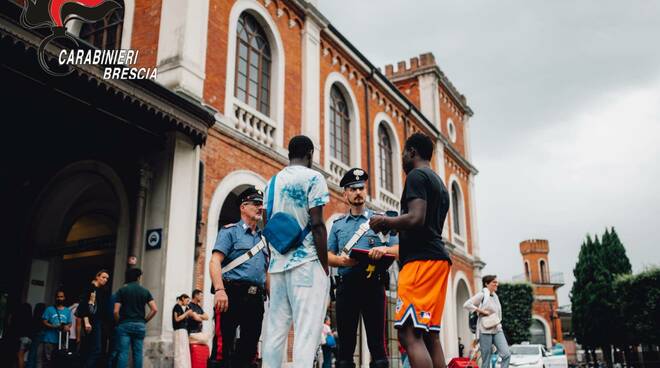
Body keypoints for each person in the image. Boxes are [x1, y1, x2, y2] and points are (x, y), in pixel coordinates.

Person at [369, 133, 452, 368]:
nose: (403, 158)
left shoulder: (416, 176)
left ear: (412, 152)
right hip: (438, 260)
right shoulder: (439, 183)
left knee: (408, 334)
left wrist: (385, 221)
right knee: (429, 335)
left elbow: (416, 218)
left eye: (404, 153)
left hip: (420, 262)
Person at [261, 135, 331, 367]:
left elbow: (265, 223)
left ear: (289, 153)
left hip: (278, 266)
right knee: (306, 333)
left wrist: (272, 259)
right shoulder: (314, 178)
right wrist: (324, 264)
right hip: (306, 264)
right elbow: (318, 224)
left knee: (274, 332)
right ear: (310, 154)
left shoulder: (271, 182)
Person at [328, 168, 398, 368]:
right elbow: (327, 255)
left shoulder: (380, 220)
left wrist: (383, 250)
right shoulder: (338, 225)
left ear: (365, 191)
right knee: (345, 349)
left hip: (373, 287)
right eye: (352, 189)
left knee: (378, 347)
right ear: (345, 194)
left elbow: (399, 248)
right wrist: (341, 262)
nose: (358, 192)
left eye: (361, 188)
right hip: (346, 288)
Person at [209, 186, 268, 367]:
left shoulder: (263, 239)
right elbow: (215, 261)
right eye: (256, 204)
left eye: (261, 204)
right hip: (230, 294)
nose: (260, 208)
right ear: (243, 207)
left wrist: (273, 298)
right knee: (222, 348)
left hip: (256, 298)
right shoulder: (230, 232)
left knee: (249, 349)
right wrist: (219, 290)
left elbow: (267, 271)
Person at [113, 268, 158, 368]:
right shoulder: (145, 291)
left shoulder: (122, 290)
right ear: (138, 278)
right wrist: (144, 320)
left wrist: (118, 322)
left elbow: (115, 311)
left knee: (123, 353)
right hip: (140, 325)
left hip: (124, 324)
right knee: (138, 353)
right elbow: (154, 309)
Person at [463, 275, 511, 368]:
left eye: (497, 282)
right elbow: (467, 304)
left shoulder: (495, 296)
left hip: (497, 328)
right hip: (485, 330)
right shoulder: (482, 294)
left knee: (506, 354)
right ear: (486, 284)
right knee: (486, 359)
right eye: (494, 282)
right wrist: (481, 311)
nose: (496, 284)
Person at [76, 269, 110, 368]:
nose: (105, 280)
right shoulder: (91, 289)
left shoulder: (100, 290)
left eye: (107, 278)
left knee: (91, 348)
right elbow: (85, 306)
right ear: (97, 277)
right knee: (96, 349)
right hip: (92, 322)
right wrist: (86, 322)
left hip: (97, 322)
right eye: (103, 277)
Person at [39, 290, 72, 368]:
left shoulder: (67, 311)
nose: (59, 298)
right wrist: (53, 326)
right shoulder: (49, 309)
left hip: (61, 341)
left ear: (64, 298)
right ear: (55, 298)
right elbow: (44, 321)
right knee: (48, 361)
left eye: (61, 297)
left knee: (59, 360)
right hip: (49, 339)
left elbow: (69, 323)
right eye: (58, 297)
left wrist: (67, 327)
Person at [172, 294, 192, 368]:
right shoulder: (176, 307)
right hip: (179, 331)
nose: (187, 303)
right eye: (187, 300)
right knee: (179, 351)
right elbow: (177, 319)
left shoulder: (182, 308)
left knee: (184, 351)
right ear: (183, 298)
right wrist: (187, 313)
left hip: (183, 331)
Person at [26, 303, 46, 368]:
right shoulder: (45, 318)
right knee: (38, 357)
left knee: (32, 355)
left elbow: (32, 329)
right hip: (43, 336)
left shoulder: (35, 317)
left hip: (36, 336)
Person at [14, 302, 33, 368]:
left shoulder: (21, 318)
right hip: (29, 340)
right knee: (22, 356)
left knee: (20, 356)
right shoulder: (30, 319)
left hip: (23, 339)